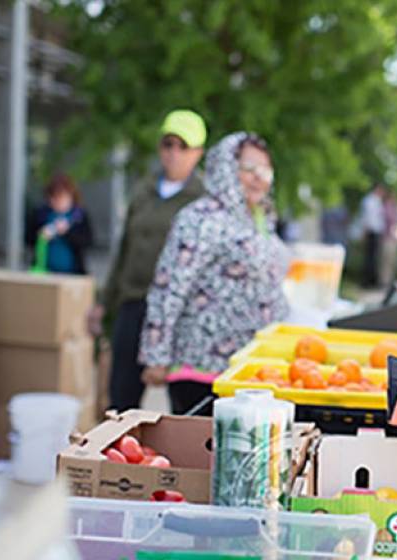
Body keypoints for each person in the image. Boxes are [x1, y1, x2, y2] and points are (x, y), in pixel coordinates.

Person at [139, 132, 290, 414]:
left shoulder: (260, 219)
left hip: (248, 370)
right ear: (226, 169)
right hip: (204, 369)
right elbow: (169, 287)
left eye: (265, 170)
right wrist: (156, 356)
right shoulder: (201, 217)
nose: (260, 177)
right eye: (249, 168)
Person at [89, 110, 207, 413]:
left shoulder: (203, 199)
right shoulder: (144, 190)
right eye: (168, 144)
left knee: (185, 407)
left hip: (180, 315)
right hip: (135, 303)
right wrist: (106, 302)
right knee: (122, 398)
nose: (174, 153)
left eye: (183, 146)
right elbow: (125, 250)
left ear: (198, 153)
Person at [25, 173, 93, 274]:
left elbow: (88, 242)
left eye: (62, 197)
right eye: (54, 198)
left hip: (72, 272)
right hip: (45, 272)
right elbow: (28, 239)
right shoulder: (40, 214)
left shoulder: (79, 216)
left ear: (71, 196)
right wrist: (41, 236)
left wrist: (67, 232)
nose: (58, 202)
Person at [359, 183, 386, 288]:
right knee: (370, 258)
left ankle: (371, 281)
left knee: (373, 257)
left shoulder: (377, 201)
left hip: (376, 232)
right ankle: (367, 282)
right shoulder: (369, 201)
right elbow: (367, 218)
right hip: (371, 231)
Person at [379, 187, 397, 288]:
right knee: (386, 261)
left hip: (393, 238)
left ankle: (390, 281)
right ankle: (385, 282)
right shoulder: (385, 207)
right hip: (386, 238)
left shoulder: (394, 208)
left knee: (393, 261)